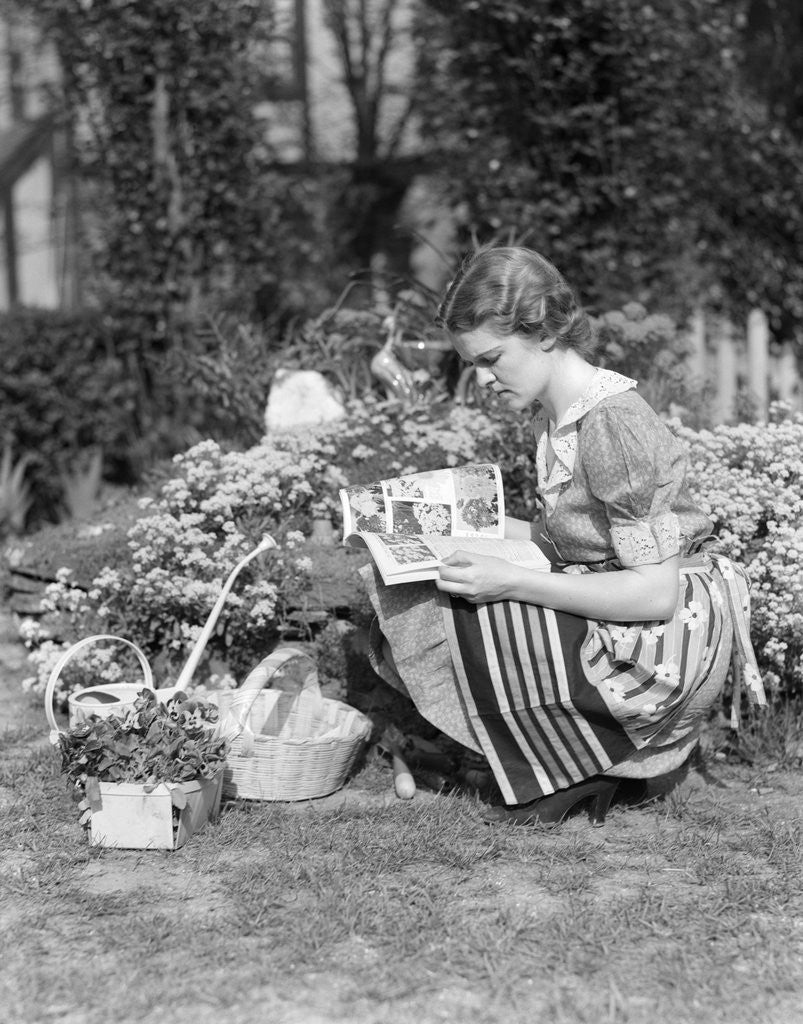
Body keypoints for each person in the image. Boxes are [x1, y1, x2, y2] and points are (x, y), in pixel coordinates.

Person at [361, 245, 767, 826]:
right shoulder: (561, 415)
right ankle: (561, 759)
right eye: (471, 362)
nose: (481, 379)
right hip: (623, 603)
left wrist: (511, 580)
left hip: (666, 640)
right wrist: (434, 521)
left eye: (492, 358)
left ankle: (582, 761)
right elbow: (575, 541)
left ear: (545, 332)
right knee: (425, 572)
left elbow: (656, 593)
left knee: (455, 602)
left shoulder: (614, 422)